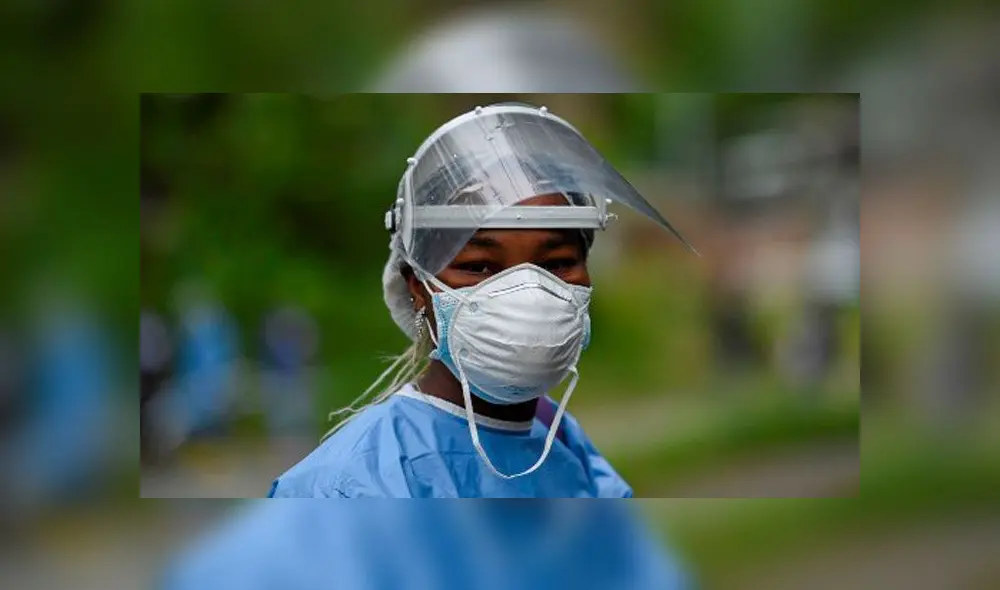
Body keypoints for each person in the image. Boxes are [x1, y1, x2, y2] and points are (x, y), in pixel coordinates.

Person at [269, 102, 695, 498]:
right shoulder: (347, 485)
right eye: (480, 268)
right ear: (417, 287)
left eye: (557, 263)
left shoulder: (560, 442)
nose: (527, 294)